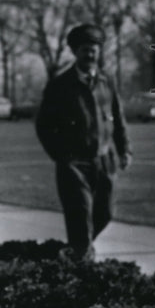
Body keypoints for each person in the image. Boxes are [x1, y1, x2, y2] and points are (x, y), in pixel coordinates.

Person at [35, 23, 132, 260]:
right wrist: (61, 156)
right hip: (74, 163)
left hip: (105, 160)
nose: (90, 55)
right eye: (85, 50)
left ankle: (76, 250)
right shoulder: (60, 85)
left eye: (94, 50)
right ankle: (82, 259)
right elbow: (44, 125)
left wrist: (124, 150)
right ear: (75, 52)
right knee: (80, 213)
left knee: (106, 212)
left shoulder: (106, 82)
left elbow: (118, 118)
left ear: (99, 52)